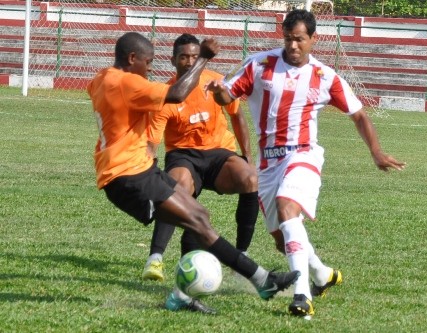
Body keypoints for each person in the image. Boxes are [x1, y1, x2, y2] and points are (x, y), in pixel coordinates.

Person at [206, 9, 406, 318]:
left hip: (302, 154)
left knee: (288, 207)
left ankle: (302, 295)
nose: (293, 46)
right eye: (288, 39)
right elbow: (226, 95)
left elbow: (359, 114)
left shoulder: (325, 76)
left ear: (313, 39)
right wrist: (220, 92)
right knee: (281, 239)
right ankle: (322, 274)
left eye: (299, 39)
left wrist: (376, 152)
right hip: (268, 163)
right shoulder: (260, 65)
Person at [86, 31, 299, 315]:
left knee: (199, 217)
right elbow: (176, 93)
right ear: (132, 58)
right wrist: (204, 58)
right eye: (147, 62)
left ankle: (184, 294)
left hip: (138, 169)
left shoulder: (102, 78)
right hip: (127, 176)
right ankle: (263, 281)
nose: (149, 68)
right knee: (197, 221)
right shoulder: (126, 82)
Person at [142, 33, 259, 282]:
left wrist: (247, 155)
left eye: (195, 56)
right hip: (183, 155)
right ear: (173, 60)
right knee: (176, 187)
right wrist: (145, 169)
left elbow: (236, 115)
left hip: (218, 153)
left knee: (250, 178)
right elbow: (152, 142)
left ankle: (241, 254)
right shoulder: (167, 95)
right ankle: (155, 259)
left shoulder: (215, 81)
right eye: (184, 57)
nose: (189, 61)